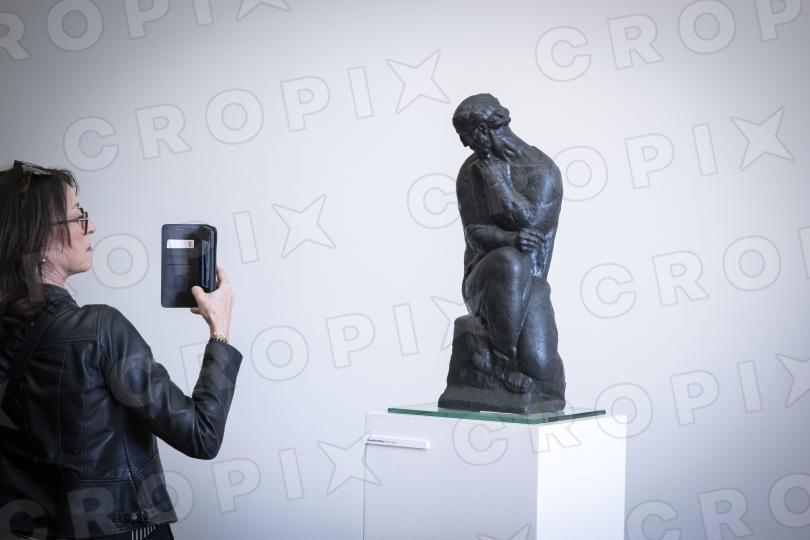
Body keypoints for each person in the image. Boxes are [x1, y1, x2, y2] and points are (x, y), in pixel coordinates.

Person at [0, 160, 242, 539]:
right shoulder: (99, 331)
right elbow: (201, 434)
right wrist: (220, 330)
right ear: (40, 238)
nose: (91, 226)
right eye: (78, 216)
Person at [451, 94, 565, 402]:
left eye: (465, 135)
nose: (464, 144)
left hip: (532, 283)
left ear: (483, 131)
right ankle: (503, 359)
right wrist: (509, 240)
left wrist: (497, 182)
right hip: (483, 282)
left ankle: (497, 350)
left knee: (542, 368)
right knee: (509, 261)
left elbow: (529, 224)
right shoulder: (470, 171)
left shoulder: (544, 172)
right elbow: (474, 233)